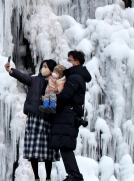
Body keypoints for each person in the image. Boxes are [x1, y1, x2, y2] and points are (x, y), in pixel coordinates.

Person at [5, 59, 60, 181]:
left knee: (48, 149)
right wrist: (11, 70)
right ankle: (36, 177)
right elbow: (23, 77)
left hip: (47, 118)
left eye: (46, 66)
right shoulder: (34, 80)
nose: (43, 68)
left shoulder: (55, 83)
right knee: (33, 147)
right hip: (34, 117)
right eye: (43, 66)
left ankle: (48, 177)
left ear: (52, 69)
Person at [49, 50, 92, 181]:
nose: (68, 62)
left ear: (77, 62)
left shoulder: (75, 77)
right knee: (65, 145)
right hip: (69, 115)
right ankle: (73, 174)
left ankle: (74, 175)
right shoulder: (76, 77)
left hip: (67, 115)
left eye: (70, 60)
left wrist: (52, 97)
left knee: (65, 145)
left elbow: (66, 96)